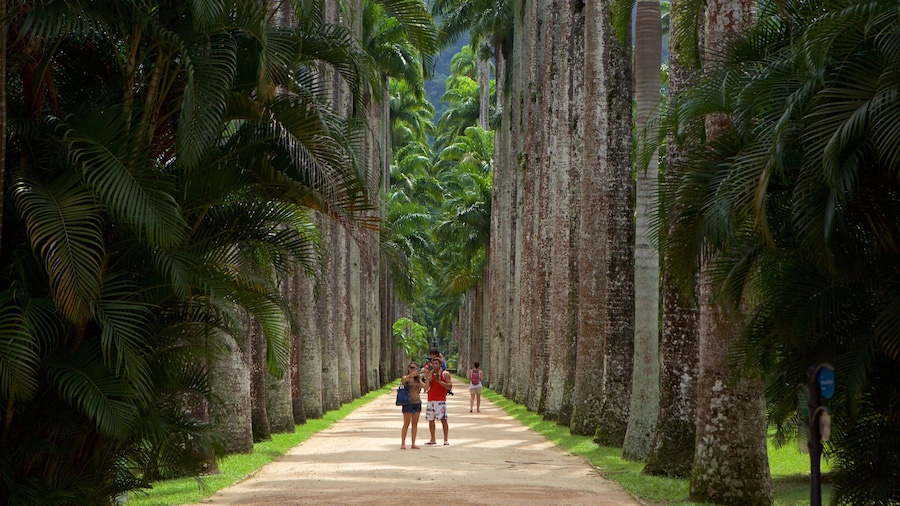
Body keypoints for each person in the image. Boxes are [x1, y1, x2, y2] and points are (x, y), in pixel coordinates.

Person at [424, 357, 452, 445]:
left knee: (443, 419)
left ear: (440, 364)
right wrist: (428, 378)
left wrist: (439, 381)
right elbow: (426, 388)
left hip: (440, 400)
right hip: (431, 399)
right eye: (433, 364)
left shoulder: (445, 374)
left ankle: (445, 439)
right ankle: (433, 439)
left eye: (436, 363)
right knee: (430, 420)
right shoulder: (431, 373)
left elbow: (450, 386)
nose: (435, 365)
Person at [400, 361, 425, 449]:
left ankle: (413, 443)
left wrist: (428, 378)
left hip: (417, 402)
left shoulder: (418, 380)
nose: (413, 369)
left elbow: (425, 387)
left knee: (415, 424)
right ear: (408, 368)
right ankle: (403, 443)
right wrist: (411, 375)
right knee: (406, 423)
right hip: (408, 403)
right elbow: (403, 380)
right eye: (411, 368)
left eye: (415, 368)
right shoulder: (406, 377)